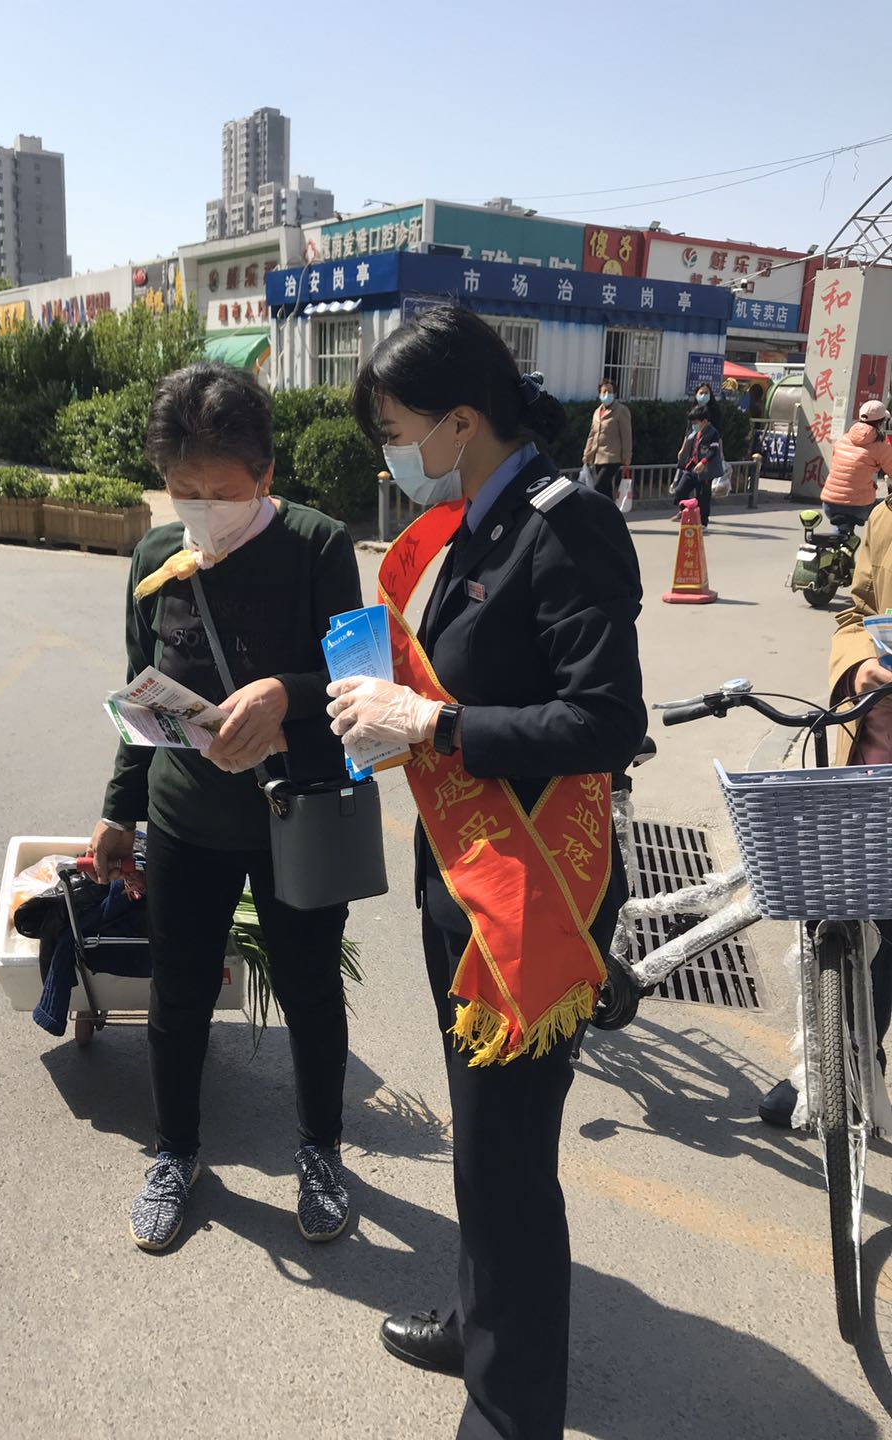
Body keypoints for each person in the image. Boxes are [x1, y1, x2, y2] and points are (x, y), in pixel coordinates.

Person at [328, 307, 646, 1440]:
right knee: (483, 1144)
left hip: (531, 900)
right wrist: (391, 715)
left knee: (510, 1170)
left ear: (460, 421)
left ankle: (510, 1414)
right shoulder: (479, 521)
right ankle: (478, 1319)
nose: (391, 454)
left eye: (397, 429)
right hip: (465, 884)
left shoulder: (567, 526)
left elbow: (605, 721)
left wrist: (437, 723)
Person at [88, 363, 363, 1253]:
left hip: (296, 821)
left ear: (266, 473)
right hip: (186, 822)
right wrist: (119, 813)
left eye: (222, 491)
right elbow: (141, 700)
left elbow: (359, 686)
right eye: (183, 491)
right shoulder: (153, 559)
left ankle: (321, 1151)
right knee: (177, 992)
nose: (202, 510)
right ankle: (175, 1153)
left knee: (311, 990)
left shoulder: (318, 546)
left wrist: (286, 694)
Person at [760, 491, 892, 1126]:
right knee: (849, 918)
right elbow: (857, 613)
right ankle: (828, 1065)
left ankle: (855, 1059)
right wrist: (861, 664)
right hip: (874, 755)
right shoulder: (887, 517)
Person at [819, 400, 892, 531]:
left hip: (829, 503)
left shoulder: (843, 439)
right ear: (881, 422)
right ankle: (875, 542)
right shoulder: (880, 446)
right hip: (858, 506)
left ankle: (841, 540)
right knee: (885, 510)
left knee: (841, 529)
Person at [582, 377, 632, 500]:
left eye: (610, 392)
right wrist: (587, 454)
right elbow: (592, 434)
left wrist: (626, 458)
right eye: (604, 392)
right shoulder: (597, 412)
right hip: (598, 457)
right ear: (599, 393)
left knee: (597, 486)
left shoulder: (621, 411)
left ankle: (597, 510)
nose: (606, 395)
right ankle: (610, 510)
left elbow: (626, 436)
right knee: (605, 491)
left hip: (612, 457)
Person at [673, 405, 722, 529]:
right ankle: (685, 511)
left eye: (696, 422)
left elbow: (713, 450)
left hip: (705, 470)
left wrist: (703, 462)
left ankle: (703, 522)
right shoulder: (694, 432)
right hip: (691, 466)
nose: (693, 425)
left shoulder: (712, 433)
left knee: (703, 497)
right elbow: (687, 441)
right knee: (680, 490)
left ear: (704, 421)